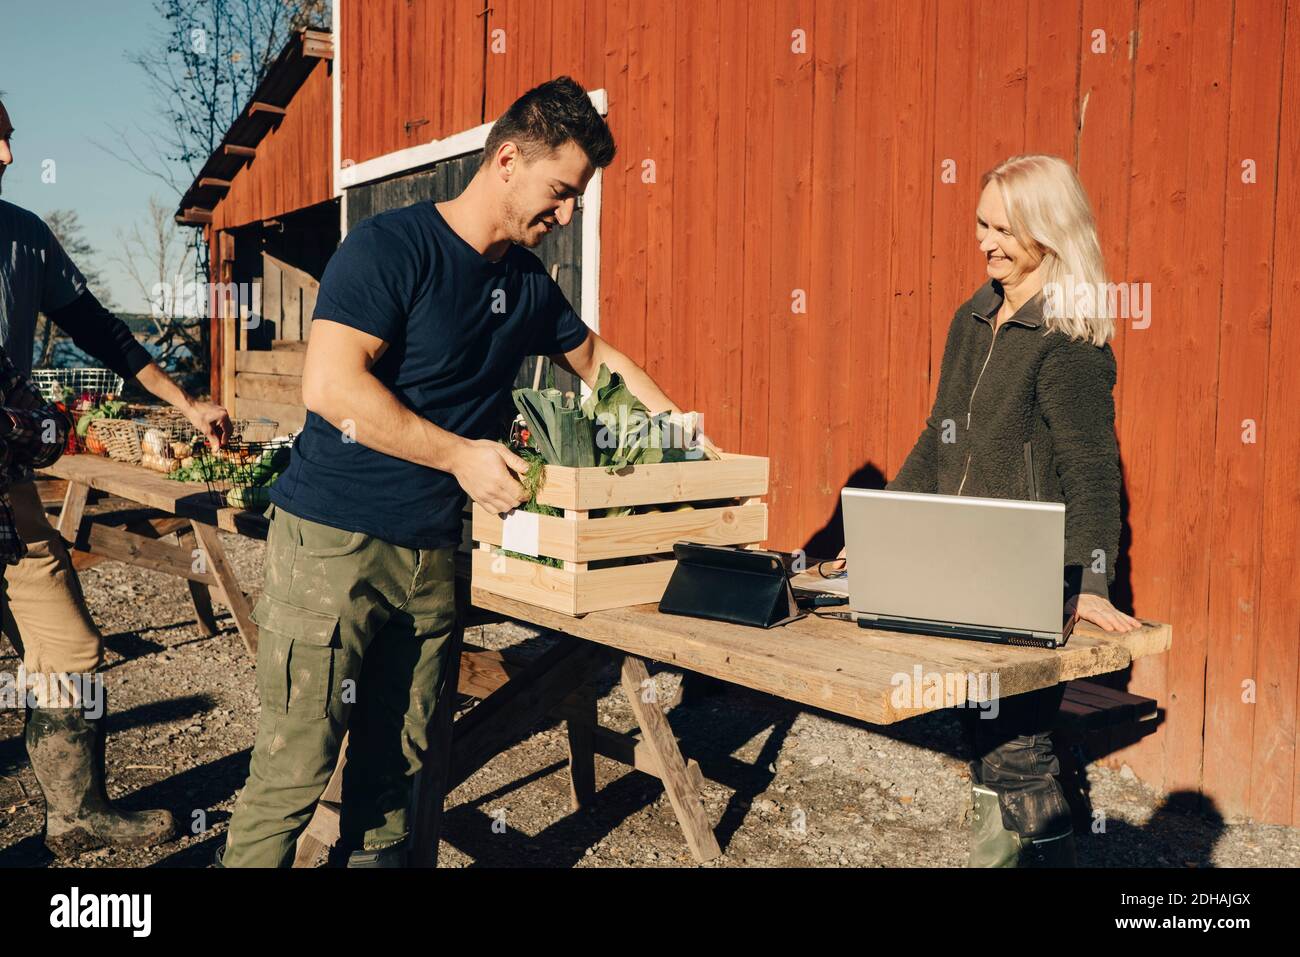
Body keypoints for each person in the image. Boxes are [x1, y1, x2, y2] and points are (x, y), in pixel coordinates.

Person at [219, 76, 694, 867]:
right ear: (507, 159)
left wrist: (683, 438)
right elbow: (331, 386)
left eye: (578, 199)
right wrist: (459, 454)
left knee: (397, 781)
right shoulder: (389, 248)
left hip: (434, 558)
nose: (568, 214)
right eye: (561, 192)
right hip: (333, 546)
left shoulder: (526, 284)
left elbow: (599, 358)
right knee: (293, 772)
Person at [838, 154, 1139, 866]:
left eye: (1006, 228)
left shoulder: (1067, 340)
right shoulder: (972, 318)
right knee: (980, 739)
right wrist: (881, 529)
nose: (987, 241)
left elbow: (1092, 473)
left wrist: (1092, 582)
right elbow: (936, 434)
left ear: (1050, 231)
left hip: (1027, 581)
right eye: (982, 223)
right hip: (961, 571)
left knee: (1017, 754)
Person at [0, 94, 232, 855]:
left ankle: (75, 811)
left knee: (69, 644)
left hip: (7, 495)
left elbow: (103, 332)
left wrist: (188, 401)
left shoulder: (25, 239)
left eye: (9, 140)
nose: (6, 157)